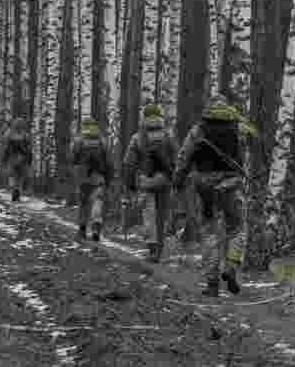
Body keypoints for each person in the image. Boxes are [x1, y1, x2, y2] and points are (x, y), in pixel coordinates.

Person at [171, 93, 256, 297]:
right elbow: (252, 143)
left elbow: (184, 157)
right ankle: (232, 266)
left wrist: (178, 180)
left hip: (205, 184)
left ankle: (212, 283)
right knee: (237, 228)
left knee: (210, 232)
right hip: (232, 184)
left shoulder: (199, 129)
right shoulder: (239, 127)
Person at [123, 103, 177, 263]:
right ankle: (159, 251)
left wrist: (130, 182)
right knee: (161, 215)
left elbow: (129, 163)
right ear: (161, 116)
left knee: (149, 213)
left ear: (144, 117)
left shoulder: (138, 137)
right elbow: (177, 159)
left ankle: (153, 249)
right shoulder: (168, 135)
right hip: (165, 180)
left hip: (146, 180)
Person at [70, 118, 112, 242]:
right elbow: (108, 162)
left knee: (83, 203)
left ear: (84, 126)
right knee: (97, 200)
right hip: (98, 175)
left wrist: (75, 173)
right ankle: (96, 224)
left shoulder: (79, 140)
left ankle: (82, 229)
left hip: (83, 177)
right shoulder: (102, 141)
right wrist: (108, 178)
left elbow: (73, 158)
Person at [2, 116, 32, 201]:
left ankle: (14, 189)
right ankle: (17, 190)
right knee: (20, 176)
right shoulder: (25, 134)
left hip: (12, 157)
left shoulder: (8, 133)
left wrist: (4, 158)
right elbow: (28, 148)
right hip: (22, 158)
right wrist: (29, 159)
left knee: (12, 175)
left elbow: (6, 147)